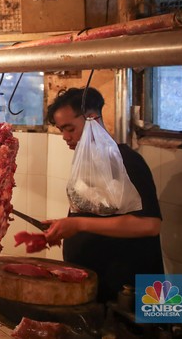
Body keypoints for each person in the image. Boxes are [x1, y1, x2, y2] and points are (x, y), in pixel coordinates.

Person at [43, 87, 163, 302]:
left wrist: (78, 225)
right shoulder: (87, 164)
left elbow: (150, 225)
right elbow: (94, 215)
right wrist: (65, 226)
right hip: (96, 285)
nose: (65, 137)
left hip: (134, 291)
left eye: (69, 128)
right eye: (62, 130)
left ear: (92, 118)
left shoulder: (127, 162)